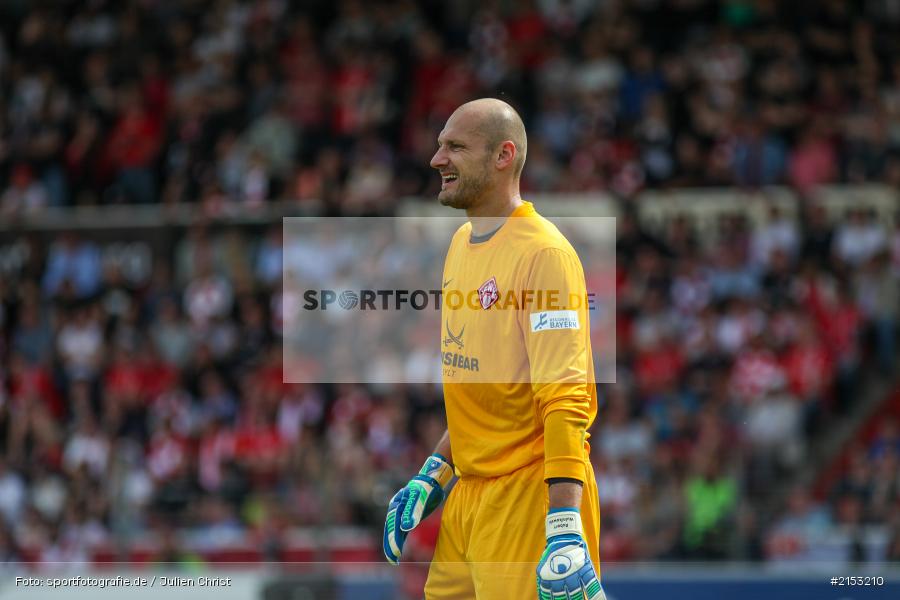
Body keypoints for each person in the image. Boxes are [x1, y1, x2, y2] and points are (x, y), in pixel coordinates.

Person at [383, 98, 605, 599]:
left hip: (527, 497)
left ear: (503, 156)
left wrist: (564, 521)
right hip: (469, 499)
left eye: (455, 147)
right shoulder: (462, 243)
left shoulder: (544, 255)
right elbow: (484, 388)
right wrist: (432, 477)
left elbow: (566, 397)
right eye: (440, 145)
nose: (437, 159)